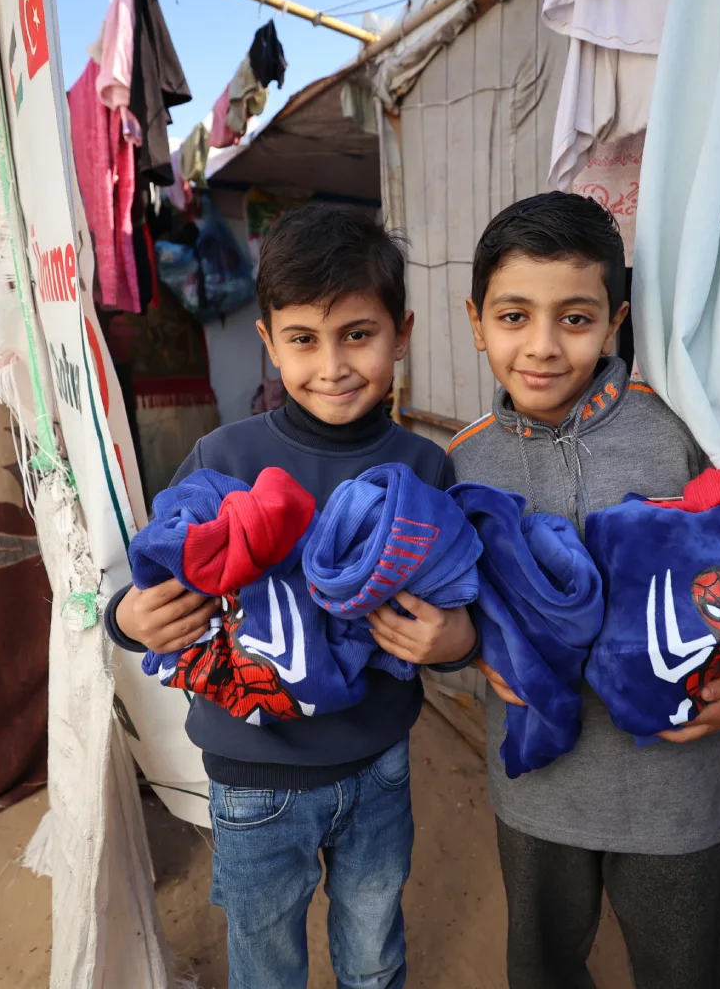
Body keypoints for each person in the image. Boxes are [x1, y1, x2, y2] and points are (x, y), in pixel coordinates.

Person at [105, 204, 479, 989]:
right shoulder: (223, 456)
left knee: (373, 948)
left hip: (379, 765)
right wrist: (131, 620)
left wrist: (459, 642)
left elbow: (457, 606)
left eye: (358, 335)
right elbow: (152, 578)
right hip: (252, 777)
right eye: (304, 340)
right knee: (265, 956)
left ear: (400, 333)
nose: (333, 365)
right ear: (269, 342)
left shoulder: (425, 470)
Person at [448, 192, 720, 989]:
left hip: (674, 792)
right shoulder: (461, 463)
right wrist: (469, 653)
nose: (542, 347)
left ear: (615, 322)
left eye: (574, 319)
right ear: (476, 322)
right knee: (541, 969)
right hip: (534, 791)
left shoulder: (687, 435)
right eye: (514, 317)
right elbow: (450, 617)